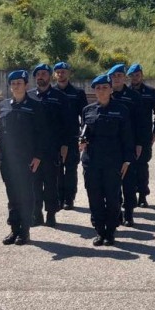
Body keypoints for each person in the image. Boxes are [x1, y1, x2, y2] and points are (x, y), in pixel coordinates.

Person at [0, 70, 43, 246]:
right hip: (7, 158)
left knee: (24, 194)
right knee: (12, 195)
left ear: (26, 85)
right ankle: (14, 228)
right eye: (13, 83)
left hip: (26, 158)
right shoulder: (4, 105)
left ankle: (24, 231)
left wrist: (38, 156)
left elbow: (42, 133)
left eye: (19, 83)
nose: (16, 86)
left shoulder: (35, 105)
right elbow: (1, 129)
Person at [79, 74, 134, 246]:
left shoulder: (122, 109)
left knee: (112, 199)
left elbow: (128, 137)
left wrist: (127, 160)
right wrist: (81, 141)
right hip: (92, 162)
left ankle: (110, 232)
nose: (101, 90)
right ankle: (99, 231)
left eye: (104, 87)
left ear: (111, 89)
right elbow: (83, 133)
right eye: (98, 88)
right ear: (94, 91)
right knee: (94, 197)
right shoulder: (88, 111)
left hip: (113, 162)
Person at [28, 63, 74, 228]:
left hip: (52, 148)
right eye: (38, 74)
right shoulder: (29, 96)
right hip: (33, 149)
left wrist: (65, 144)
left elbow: (68, 123)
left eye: (44, 74)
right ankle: (36, 213)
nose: (41, 76)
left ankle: (51, 214)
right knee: (34, 182)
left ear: (50, 76)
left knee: (51, 183)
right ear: (35, 77)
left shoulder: (60, 97)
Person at [107, 63, 150, 227]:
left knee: (129, 182)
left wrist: (140, 143)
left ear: (124, 78)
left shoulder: (134, 96)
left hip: (129, 144)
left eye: (119, 76)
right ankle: (116, 212)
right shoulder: (106, 94)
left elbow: (143, 123)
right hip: (111, 146)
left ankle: (129, 214)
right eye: (113, 76)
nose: (116, 79)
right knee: (113, 181)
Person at [53, 61, 89, 210]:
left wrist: (83, 136)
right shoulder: (51, 92)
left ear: (69, 73)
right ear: (55, 74)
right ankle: (59, 197)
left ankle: (69, 198)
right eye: (58, 72)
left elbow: (85, 116)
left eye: (64, 72)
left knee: (71, 168)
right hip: (54, 138)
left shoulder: (77, 93)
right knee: (57, 169)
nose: (61, 74)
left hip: (72, 136)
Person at [127, 63, 155, 208]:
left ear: (142, 75)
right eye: (132, 76)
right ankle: (129, 195)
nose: (135, 78)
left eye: (137, 75)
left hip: (144, 135)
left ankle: (142, 195)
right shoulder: (125, 92)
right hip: (128, 134)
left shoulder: (150, 92)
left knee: (142, 166)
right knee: (128, 166)